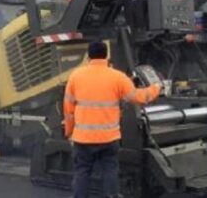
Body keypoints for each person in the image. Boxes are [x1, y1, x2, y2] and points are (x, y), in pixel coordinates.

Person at [63, 41, 161, 198]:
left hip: (83, 139)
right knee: (110, 170)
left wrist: (69, 132)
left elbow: (68, 110)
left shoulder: (75, 76)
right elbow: (139, 97)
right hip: (109, 139)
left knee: (82, 171)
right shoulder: (117, 77)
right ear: (106, 56)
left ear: (88, 56)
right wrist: (156, 87)